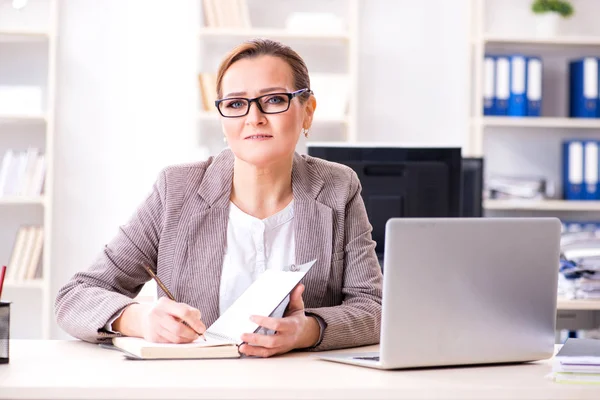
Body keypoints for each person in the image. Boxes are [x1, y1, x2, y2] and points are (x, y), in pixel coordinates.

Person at [55, 38, 382, 357]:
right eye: (236, 104)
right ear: (223, 119)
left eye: (273, 100)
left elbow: (374, 308)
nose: (254, 118)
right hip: (198, 387)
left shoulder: (339, 187)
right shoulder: (177, 190)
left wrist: (306, 330)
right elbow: (75, 298)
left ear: (307, 111)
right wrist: (140, 319)